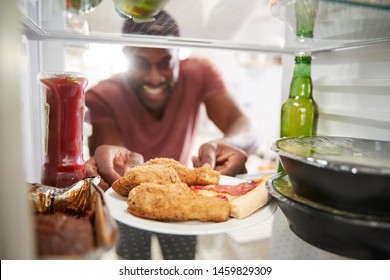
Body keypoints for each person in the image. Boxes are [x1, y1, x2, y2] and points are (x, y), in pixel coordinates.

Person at [85, 11, 258, 260]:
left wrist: (228, 143)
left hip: (184, 195)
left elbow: (243, 125)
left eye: (165, 63)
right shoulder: (103, 95)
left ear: (179, 55)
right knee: (134, 264)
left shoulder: (199, 73)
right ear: (125, 55)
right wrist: (119, 170)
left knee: (183, 264)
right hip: (129, 202)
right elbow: (116, 165)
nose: (153, 77)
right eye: (141, 63)